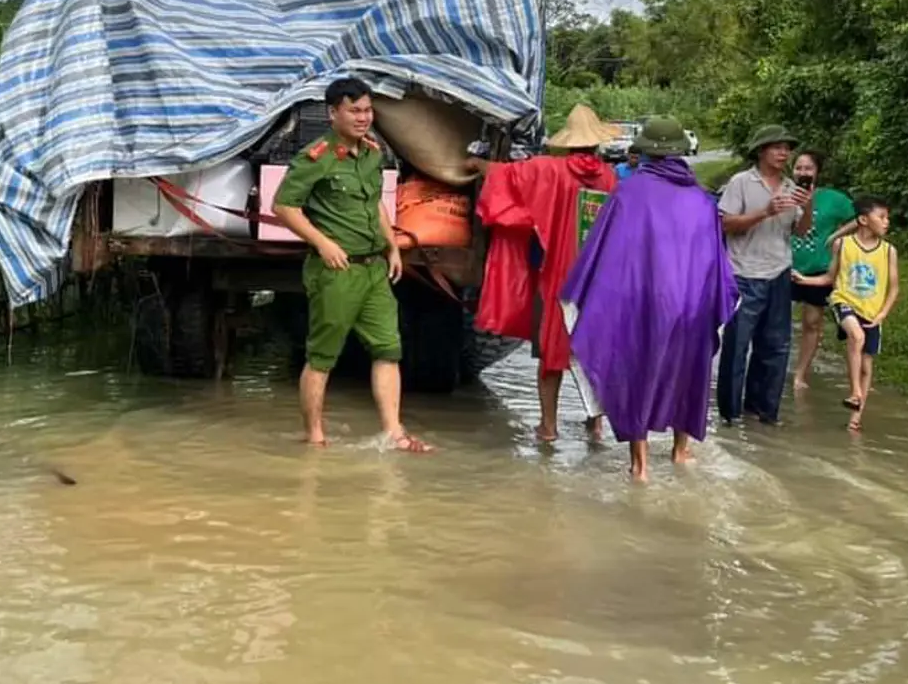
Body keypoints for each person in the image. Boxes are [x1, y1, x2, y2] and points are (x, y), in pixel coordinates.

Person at [560, 117, 739, 482]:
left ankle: (639, 466)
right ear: (679, 153)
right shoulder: (702, 201)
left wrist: (585, 294)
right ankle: (680, 451)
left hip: (640, 304)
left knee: (637, 374)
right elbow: (713, 263)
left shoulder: (628, 193)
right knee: (688, 373)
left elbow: (604, 253)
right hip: (691, 305)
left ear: (646, 152)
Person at [271, 77, 433, 453]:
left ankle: (394, 432)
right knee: (322, 356)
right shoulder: (316, 156)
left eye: (367, 110)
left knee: (388, 349)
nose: (363, 118)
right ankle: (314, 437)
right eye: (354, 111)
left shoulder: (372, 153)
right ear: (333, 113)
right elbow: (283, 206)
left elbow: (375, 202)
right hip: (336, 271)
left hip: (374, 269)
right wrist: (323, 243)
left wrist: (392, 245)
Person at [469, 103, 618, 443]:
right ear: (597, 143)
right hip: (597, 278)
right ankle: (595, 425)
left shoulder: (549, 170)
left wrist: (477, 163)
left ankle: (548, 426)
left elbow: (505, 175)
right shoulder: (609, 177)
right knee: (594, 349)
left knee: (552, 348)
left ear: (567, 143)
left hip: (558, 276)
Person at [715, 124, 812, 426]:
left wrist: (806, 207)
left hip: (779, 272)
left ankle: (764, 412)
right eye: (777, 147)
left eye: (787, 148)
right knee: (737, 346)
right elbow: (725, 224)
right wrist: (765, 212)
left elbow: (801, 230)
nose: (784, 153)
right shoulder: (741, 183)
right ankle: (730, 414)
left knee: (776, 345)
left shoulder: (791, 186)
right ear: (761, 151)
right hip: (743, 273)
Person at [804, 195, 900, 431]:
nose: (887, 222)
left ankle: (855, 419)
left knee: (866, 366)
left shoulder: (889, 251)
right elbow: (829, 278)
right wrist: (804, 279)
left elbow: (894, 287)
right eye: (882, 217)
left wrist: (882, 315)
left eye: (888, 218)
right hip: (844, 301)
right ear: (863, 220)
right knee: (856, 336)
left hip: (873, 311)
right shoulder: (843, 245)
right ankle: (855, 391)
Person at [787, 151, 858, 391]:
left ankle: (800, 374)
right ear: (792, 170)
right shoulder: (784, 193)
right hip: (783, 266)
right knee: (774, 321)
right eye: (799, 168)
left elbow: (860, 218)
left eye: (808, 168)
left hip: (817, 268)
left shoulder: (832, 199)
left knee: (812, 322)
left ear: (817, 172)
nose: (803, 173)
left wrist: (836, 235)